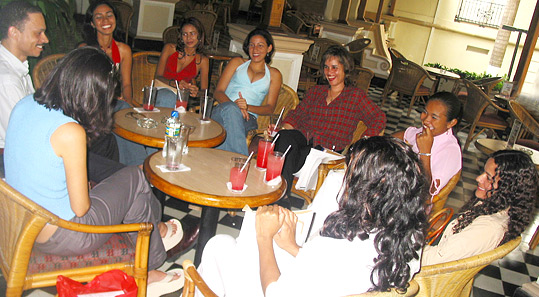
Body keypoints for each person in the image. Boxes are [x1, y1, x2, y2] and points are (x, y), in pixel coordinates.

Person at [4, 48, 184, 297]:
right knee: (136, 176)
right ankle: (150, 265)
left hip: (18, 222)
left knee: (129, 187)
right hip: (62, 234)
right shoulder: (69, 131)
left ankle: (154, 233)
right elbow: (81, 209)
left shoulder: (25, 103)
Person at [198, 136, 428, 296]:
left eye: (351, 175)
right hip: (330, 288)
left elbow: (276, 293)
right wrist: (292, 246)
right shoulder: (410, 238)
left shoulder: (336, 247)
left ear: (370, 190)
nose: (344, 179)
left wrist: (263, 238)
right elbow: (332, 274)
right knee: (234, 249)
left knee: (220, 245)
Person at [274, 45, 386, 202]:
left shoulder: (355, 96)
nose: (329, 72)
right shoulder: (316, 92)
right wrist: (281, 130)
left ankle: (278, 195)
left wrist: (365, 140)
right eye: (326, 67)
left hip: (325, 151)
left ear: (345, 69)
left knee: (286, 153)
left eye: (335, 67)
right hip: (303, 139)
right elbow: (296, 115)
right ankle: (282, 197)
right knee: (283, 137)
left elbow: (378, 117)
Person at [422, 149, 537, 265]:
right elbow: (454, 228)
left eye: (489, 177)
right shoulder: (493, 206)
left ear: (508, 188)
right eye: (483, 172)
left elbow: (433, 259)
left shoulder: (488, 228)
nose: (478, 178)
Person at [211, 28, 282, 156]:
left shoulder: (274, 74)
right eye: (252, 45)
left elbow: (270, 108)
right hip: (222, 109)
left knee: (224, 134)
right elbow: (218, 92)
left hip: (248, 119)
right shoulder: (237, 62)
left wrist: (247, 107)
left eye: (260, 46)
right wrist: (235, 107)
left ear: (269, 48)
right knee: (231, 111)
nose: (255, 50)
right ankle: (241, 160)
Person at [0, 1, 48, 177]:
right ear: (14, 32)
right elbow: (24, 138)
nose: (45, 39)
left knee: (104, 143)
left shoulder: (17, 66)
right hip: (14, 162)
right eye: (38, 33)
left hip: (28, 147)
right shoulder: (6, 79)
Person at [392, 92, 462, 202]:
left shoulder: (450, 151)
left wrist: (425, 152)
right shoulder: (426, 132)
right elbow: (403, 135)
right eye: (425, 112)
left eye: (434, 117)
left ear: (451, 123)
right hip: (397, 188)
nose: (425, 120)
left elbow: (426, 192)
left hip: (411, 203)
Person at [81, 0, 132, 103]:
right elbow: (81, 84)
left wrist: (128, 102)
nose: (105, 20)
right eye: (99, 17)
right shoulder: (85, 49)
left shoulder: (124, 50)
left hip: (115, 101)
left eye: (109, 15)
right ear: (92, 23)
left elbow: (126, 84)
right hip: (90, 101)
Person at [154, 17, 209, 107]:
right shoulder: (169, 48)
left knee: (176, 100)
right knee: (167, 97)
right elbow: (157, 76)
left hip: (181, 96)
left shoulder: (203, 60)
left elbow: (204, 92)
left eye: (193, 33)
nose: (189, 38)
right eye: (185, 34)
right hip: (161, 90)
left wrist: (196, 92)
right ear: (181, 37)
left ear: (199, 36)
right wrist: (174, 83)